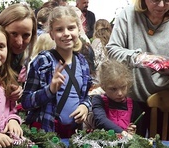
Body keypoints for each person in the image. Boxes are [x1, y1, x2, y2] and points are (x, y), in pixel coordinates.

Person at [106, 0, 169, 136]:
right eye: (155, 0)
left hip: (168, 102)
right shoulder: (127, 15)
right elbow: (112, 50)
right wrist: (138, 58)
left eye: (167, 0)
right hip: (133, 98)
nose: (161, 5)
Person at [21, 6, 92, 138]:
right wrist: (50, 90)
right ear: (51, 34)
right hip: (46, 135)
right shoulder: (43, 61)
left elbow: (86, 95)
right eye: (59, 29)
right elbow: (26, 102)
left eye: (71, 28)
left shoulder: (83, 63)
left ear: (78, 29)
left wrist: (85, 106)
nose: (66, 33)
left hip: (74, 136)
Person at [90, 61, 143, 137]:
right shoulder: (98, 100)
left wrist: (132, 132)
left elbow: (139, 135)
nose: (120, 93)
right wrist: (123, 133)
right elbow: (101, 121)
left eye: (123, 87)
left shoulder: (134, 106)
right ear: (103, 87)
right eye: (113, 89)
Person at [89, 19, 112, 96]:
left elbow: (92, 61)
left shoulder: (96, 41)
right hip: (109, 80)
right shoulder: (112, 42)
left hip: (97, 82)